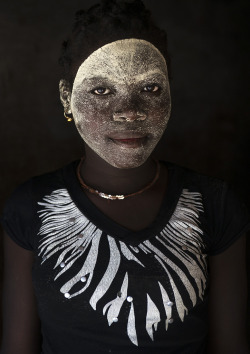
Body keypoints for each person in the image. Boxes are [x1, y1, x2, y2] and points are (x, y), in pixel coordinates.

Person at [1, 0, 249, 353]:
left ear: (170, 93)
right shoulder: (31, 206)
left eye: (150, 89)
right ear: (66, 98)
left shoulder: (215, 203)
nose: (130, 110)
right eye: (101, 90)